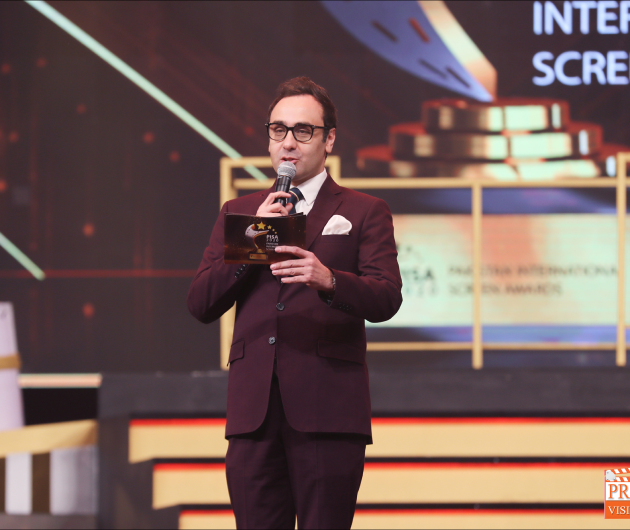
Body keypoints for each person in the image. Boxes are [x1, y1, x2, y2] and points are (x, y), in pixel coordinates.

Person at [187, 76, 402, 529]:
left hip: (328, 409)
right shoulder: (240, 212)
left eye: (303, 131)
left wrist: (330, 280)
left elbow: (386, 296)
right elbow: (201, 303)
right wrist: (250, 240)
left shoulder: (364, 210)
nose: (288, 142)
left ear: (329, 140)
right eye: (278, 130)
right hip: (253, 413)